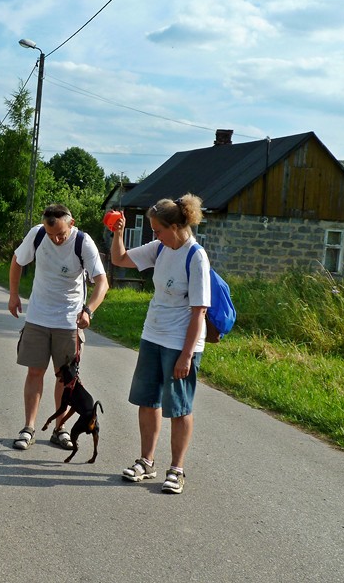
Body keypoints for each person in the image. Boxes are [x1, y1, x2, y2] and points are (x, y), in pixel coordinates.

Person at [110, 194, 210, 494]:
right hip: (152, 335)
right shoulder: (160, 248)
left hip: (180, 342)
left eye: (158, 230)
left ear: (176, 227)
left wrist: (186, 356)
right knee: (147, 400)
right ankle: (146, 461)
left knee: (179, 408)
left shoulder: (196, 257)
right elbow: (119, 259)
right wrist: (118, 234)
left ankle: (176, 470)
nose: (155, 235)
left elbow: (199, 312)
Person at [8, 204, 108, 451]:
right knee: (34, 372)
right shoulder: (37, 234)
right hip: (38, 318)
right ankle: (29, 428)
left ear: (71, 223)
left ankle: (59, 428)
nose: (56, 239)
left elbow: (102, 282)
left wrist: (88, 310)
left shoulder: (83, 242)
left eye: (61, 234)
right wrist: (13, 294)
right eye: (51, 234)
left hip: (68, 322)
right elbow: (18, 260)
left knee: (65, 378)